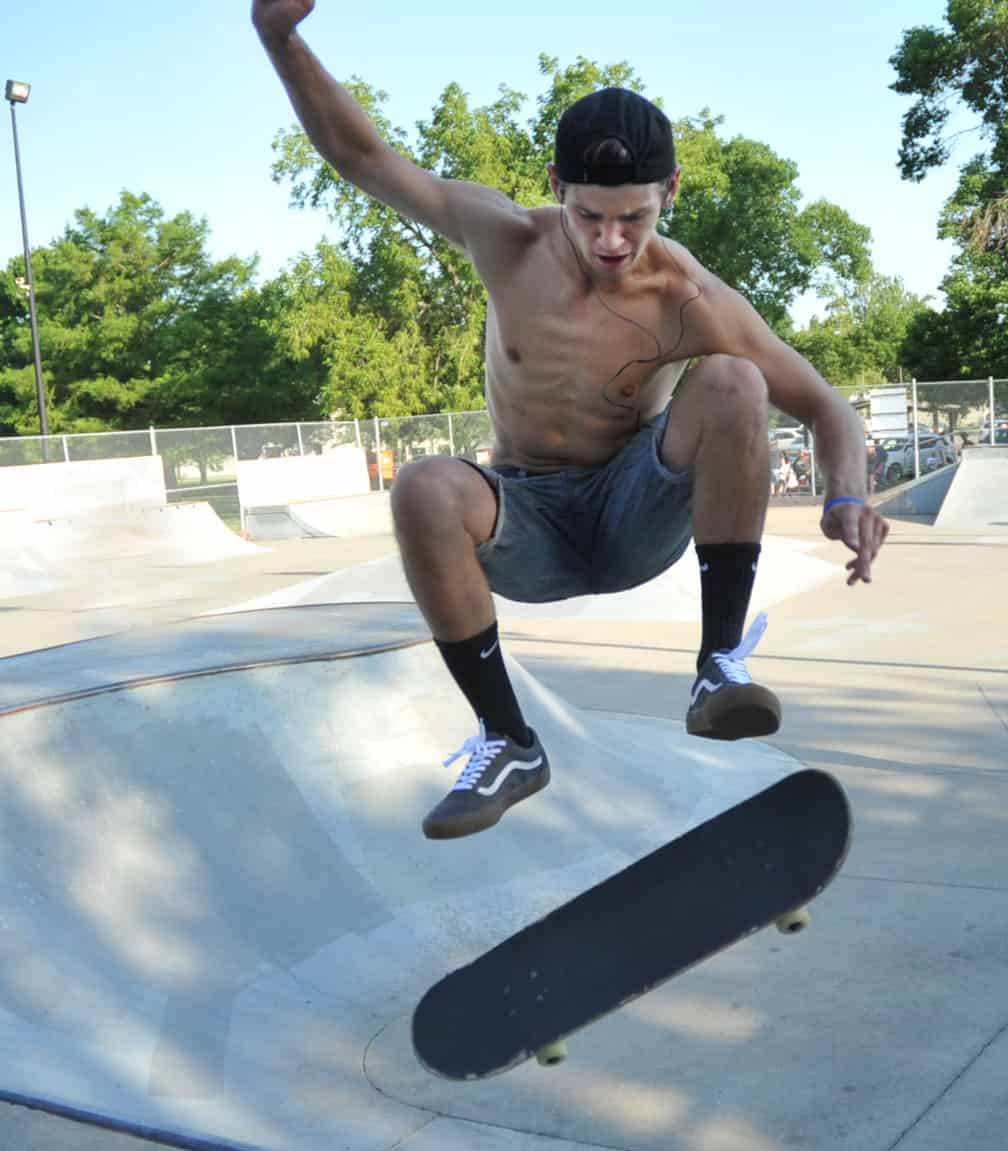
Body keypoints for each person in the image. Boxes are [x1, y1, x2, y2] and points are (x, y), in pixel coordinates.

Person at [253, 1, 888, 840]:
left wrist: (846, 498)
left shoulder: (687, 296)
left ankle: (716, 668)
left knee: (734, 379)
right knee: (422, 489)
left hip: (633, 513)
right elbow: (361, 156)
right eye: (590, 216)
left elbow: (825, 407)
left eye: (635, 217)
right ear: (556, 189)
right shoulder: (503, 237)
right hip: (527, 522)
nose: (613, 240)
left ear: (670, 191)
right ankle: (509, 741)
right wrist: (280, 37)